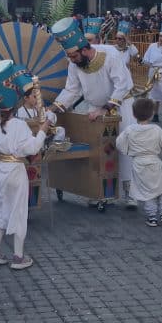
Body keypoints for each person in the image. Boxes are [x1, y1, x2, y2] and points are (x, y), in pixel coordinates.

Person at [49, 16, 138, 208]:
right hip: (95, 109)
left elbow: (122, 85)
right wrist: (53, 109)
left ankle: (130, 194)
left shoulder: (111, 55)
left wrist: (105, 109)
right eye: (70, 57)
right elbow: (72, 90)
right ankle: (101, 192)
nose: (72, 61)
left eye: (74, 56)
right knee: (99, 151)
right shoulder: (74, 64)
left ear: (84, 50)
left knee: (125, 149)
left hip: (121, 106)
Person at [0, 60, 50, 270]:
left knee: (0, 208)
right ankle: (18, 256)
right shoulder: (19, 125)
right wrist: (43, 130)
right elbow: (33, 148)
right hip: (15, 172)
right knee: (18, 211)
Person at [115, 98, 162, 227]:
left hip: (138, 163)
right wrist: (161, 151)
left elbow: (119, 143)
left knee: (147, 191)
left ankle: (152, 216)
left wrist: (128, 151)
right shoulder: (156, 129)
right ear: (152, 113)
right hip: (154, 161)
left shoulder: (130, 130)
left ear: (133, 114)